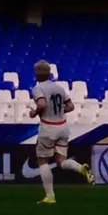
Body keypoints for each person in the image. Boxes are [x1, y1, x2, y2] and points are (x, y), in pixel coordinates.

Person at [26, 61, 89, 204]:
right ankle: (80, 168)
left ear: (36, 73)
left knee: (43, 161)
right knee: (61, 161)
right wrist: (60, 110)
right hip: (63, 126)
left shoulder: (37, 88)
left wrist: (34, 112)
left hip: (48, 127)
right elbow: (71, 106)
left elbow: (42, 104)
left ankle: (50, 196)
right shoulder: (59, 88)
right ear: (49, 73)